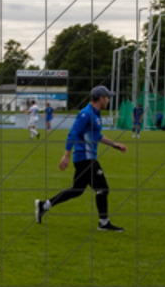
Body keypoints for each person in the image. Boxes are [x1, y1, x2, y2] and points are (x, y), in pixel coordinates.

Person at [35, 85, 127, 232]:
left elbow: (96, 135)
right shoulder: (86, 114)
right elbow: (73, 134)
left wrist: (114, 145)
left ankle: (44, 205)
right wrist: (66, 155)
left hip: (85, 158)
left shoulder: (95, 114)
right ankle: (103, 223)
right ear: (101, 98)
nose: (109, 100)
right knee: (102, 189)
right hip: (86, 158)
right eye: (108, 97)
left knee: (77, 190)